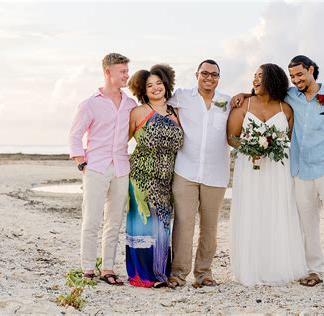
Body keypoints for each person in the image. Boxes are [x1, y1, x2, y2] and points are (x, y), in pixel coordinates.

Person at [232, 55, 324, 291]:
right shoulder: (290, 96)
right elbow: (266, 91)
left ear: (311, 70)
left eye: (300, 75)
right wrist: (244, 94)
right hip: (300, 171)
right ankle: (314, 270)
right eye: (292, 76)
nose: (296, 80)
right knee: (307, 224)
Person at [227, 63, 308, 286]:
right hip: (249, 168)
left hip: (278, 170)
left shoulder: (286, 109)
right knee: (251, 212)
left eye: (260, 77)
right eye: (254, 76)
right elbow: (231, 137)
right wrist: (251, 148)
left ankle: (277, 266)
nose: (254, 80)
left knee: (277, 212)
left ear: (272, 79)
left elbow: (288, 141)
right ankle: (252, 268)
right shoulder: (243, 104)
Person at [69, 53, 137, 286]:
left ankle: (108, 268)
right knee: (91, 219)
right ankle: (88, 267)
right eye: (122, 71)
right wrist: (81, 162)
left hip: (121, 168)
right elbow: (75, 135)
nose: (126, 75)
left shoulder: (130, 104)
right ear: (108, 72)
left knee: (114, 221)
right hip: (96, 167)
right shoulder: (90, 104)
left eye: (127, 71)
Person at [167, 59, 231, 288]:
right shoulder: (182, 97)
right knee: (183, 224)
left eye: (214, 74)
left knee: (210, 227)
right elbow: (157, 101)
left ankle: (204, 273)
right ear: (197, 75)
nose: (209, 78)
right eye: (205, 73)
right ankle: (177, 274)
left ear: (218, 78)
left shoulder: (227, 102)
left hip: (216, 173)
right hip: (185, 170)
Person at [125, 64, 183, 288]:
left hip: (167, 178)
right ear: (143, 90)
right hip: (142, 176)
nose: (156, 88)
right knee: (144, 224)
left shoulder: (176, 112)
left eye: (159, 83)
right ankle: (143, 276)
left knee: (163, 225)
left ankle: (161, 273)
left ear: (166, 84)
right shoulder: (139, 112)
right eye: (150, 85)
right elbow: (121, 142)